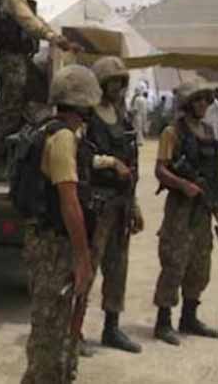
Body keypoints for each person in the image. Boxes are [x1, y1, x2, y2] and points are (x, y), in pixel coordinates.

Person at [19, 64, 99, 384]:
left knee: (53, 327)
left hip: (44, 240)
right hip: (55, 245)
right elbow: (69, 202)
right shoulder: (63, 137)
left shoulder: (46, 130)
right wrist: (82, 258)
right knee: (50, 336)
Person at [0, 0, 82, 151]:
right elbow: (28, 21)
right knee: (11, 108)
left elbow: (38, 21)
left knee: (28, 103)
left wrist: (60, 41)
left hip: (21, 58)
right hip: (12, 59)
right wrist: (53, 38)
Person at [151, 78, 218, 346]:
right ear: (188, 104)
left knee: (200, 263)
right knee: (174, 262)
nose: (203, 104)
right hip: (180, 208)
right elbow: (160, 169)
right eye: (197, 99)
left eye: (206, 99)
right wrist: (183, 185)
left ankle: (189, 317)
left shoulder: (209, 132)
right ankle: (163, 321)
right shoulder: (172, 132)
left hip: (202, 208)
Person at [86, 57, 143, 353]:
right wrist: (109, 163)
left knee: (118, 268)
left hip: (121, 202)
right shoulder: (88, 116)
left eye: (121, 81)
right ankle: (74, 329)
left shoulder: (123, 117)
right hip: (97, 202)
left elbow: (132, 163)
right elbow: (81, 156)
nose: (117, 87)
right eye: (112, 81)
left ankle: (112, 327)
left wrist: (134, 205)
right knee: (87, 266)